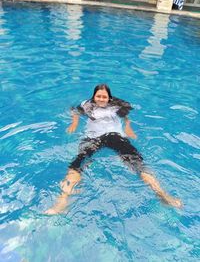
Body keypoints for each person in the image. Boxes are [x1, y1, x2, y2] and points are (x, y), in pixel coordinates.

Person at [45, 84, 182, 215]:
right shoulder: (86, 105)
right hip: (93, 138)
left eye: (104, 97)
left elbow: (126, 117)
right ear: (94, 96)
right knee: (76, 165)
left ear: (109, 98)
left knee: (138, 165)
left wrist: (128, 127)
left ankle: (163, 195)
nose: (101, 99)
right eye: (98, 96)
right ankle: (62, 202)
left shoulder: (117, 105)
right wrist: (74, 122)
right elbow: (75, 111)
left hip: (115, 136)